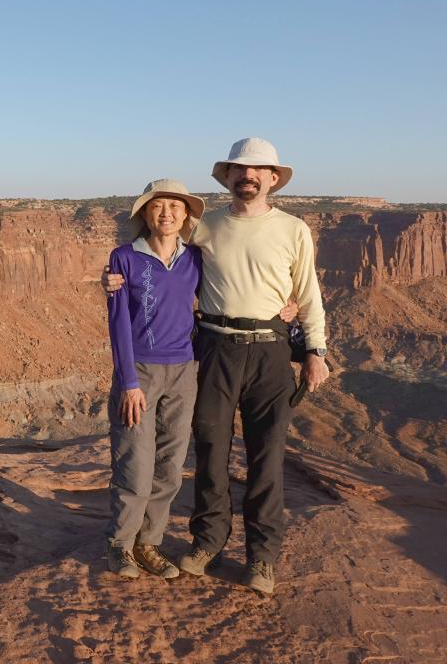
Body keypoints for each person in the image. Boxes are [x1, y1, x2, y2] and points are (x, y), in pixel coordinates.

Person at [105, 138, 329, 594]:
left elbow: (308, 294)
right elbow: (154, 264)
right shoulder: (204, 227)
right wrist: (112, 281)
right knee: (210, 452)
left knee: (266, 458)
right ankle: (206, 543)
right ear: (227, 177)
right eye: (239, 170)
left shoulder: (293, 229)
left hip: (268, 348)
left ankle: (261, 560)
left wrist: (315, 350)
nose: (248, 176)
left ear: (271, 178)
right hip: (214, 347)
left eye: (258, 170)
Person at [104, 179, 204, 579]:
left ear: (185, 216)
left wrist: (284, 303)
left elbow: (232, 291)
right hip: (140, 372)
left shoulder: (195, 258)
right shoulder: (124, 258)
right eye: (157, 206)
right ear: (145, 214)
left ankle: (149, 543)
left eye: (174, 207)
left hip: (185, 370)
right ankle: (120, 545)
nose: (166, 214)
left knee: (170, 465)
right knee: (135, 463)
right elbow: (117, 326)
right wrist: (129, 382)